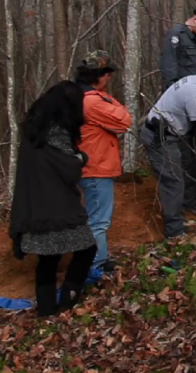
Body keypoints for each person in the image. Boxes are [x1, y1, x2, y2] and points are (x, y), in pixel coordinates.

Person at [9, 81, 98, 316]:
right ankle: (68, 299)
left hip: (33, 206)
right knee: (87, 248)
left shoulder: (34, 129)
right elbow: (69, 169)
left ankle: (47, 311)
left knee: (48, 260)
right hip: (56, 208)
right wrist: (81, 158)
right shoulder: (56, 131)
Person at [139, 67, 196, 240]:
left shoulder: (194, 80)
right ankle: (174, 232)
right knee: (173, 180)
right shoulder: (194, 94)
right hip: (160, 137)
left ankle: (185, 209)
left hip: (170, 132)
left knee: (185, 169)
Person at [74, 50, 132, 273]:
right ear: (96, 75)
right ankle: (94, 267)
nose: (109, 78)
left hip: (89, 165)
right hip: (95, 168)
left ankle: (99, 259)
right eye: (107, 74)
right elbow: (124, 121)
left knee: (94, 216)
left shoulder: (83, 97)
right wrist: (112, 103)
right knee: (98, 220)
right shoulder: (92, 102)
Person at [161, 7, 196, 87]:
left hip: (194, 85)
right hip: (180, 86)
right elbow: (169, 62)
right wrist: (172, 86)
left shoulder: (195, 39)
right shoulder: (176, 35)